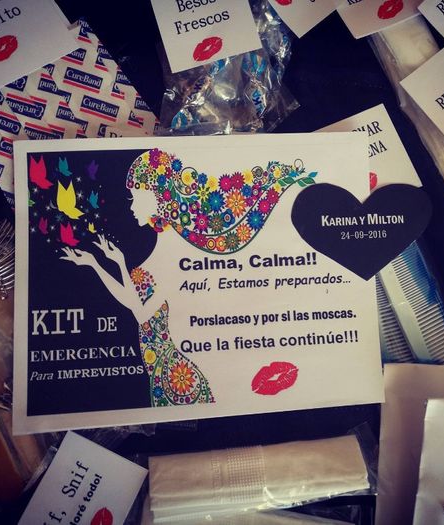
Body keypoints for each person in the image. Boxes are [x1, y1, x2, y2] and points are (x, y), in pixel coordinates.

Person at [60, 148, 314, 407]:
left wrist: (104, 265)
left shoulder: (171, 249)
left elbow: (140, 312)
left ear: (157, 197)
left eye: (135, 197)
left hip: (177, 376)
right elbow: (134, 301)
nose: (133, 206)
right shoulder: (163, 244)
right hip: (162, 369)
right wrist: (105, 263)